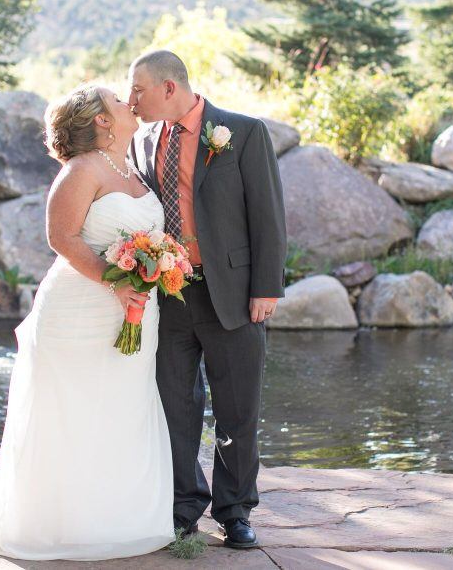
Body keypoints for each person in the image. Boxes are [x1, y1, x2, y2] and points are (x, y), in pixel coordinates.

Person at [0, 84, 174, 561]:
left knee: (123, 407)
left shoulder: (132, 168)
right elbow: (60, 236)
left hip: (135, 307)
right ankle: (60, 528)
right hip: (79, 311)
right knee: (73, 410)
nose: (128, 103)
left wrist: (158, 267)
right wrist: (114, 282)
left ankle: (120, 522)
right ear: (102, 121)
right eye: (116, 99)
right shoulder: (80, 170)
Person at [128, 50, 287, 549]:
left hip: (235, 294)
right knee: (175, 407)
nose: (132, 101)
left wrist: (266, 287)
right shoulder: (142, 141)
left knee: (238, 407)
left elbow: (268, 214)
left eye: (139, 91)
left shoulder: (242, 132)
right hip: (168, 296)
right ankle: (182, 508)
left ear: (169, 88)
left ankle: (236, 510)